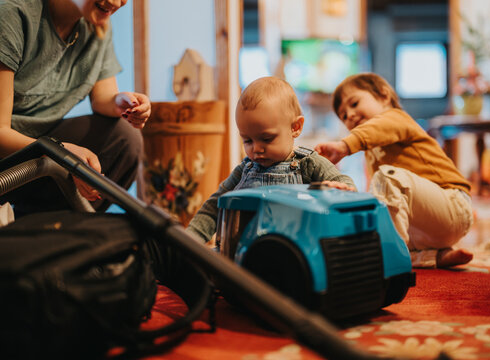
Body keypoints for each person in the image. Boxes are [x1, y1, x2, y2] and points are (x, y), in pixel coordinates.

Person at [0, 0, 150, 214]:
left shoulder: (96, 25)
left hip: (40, 149)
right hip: (8, 155)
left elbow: (102, 98)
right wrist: (58, 151)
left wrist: (122, 103)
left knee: (125, 138)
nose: (116, 3)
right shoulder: (13, 15)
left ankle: (54, 230)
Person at [314, 73, 474, 268]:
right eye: (344, 116)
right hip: (422, 227)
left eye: (354, 104)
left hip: (453, 205)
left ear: (384, 96)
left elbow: (380, 128)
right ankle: (435, 256)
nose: (350, 116)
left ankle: (387, 258)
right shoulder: (371, 152)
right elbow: (383, 201)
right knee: (372, 211)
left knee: (387, 178)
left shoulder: (397, 118)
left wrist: (345, 146)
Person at [186, 76, 356, 244]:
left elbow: (345, 185)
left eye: (267, 139)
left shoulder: (308, 163)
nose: (256, 149)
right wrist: (189, 241)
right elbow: (213, 207)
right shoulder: (245, 170)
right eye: (248, 141)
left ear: (295, 127)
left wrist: (337, 190)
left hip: (294, 253)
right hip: (245, 255)